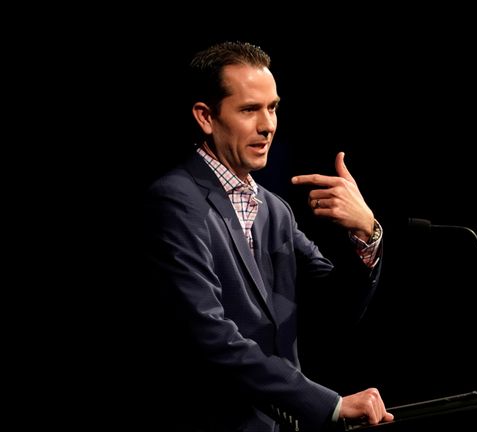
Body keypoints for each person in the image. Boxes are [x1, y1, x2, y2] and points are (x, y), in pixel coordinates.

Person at [143, 41, 393, 432]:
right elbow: (209, 334)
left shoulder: (274, 209)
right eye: (249, 110)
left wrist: (366, 232)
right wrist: (328, 404)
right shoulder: (176, 199)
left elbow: (334, 311)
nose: (268, 125)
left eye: (272, 107)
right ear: (206, 117)